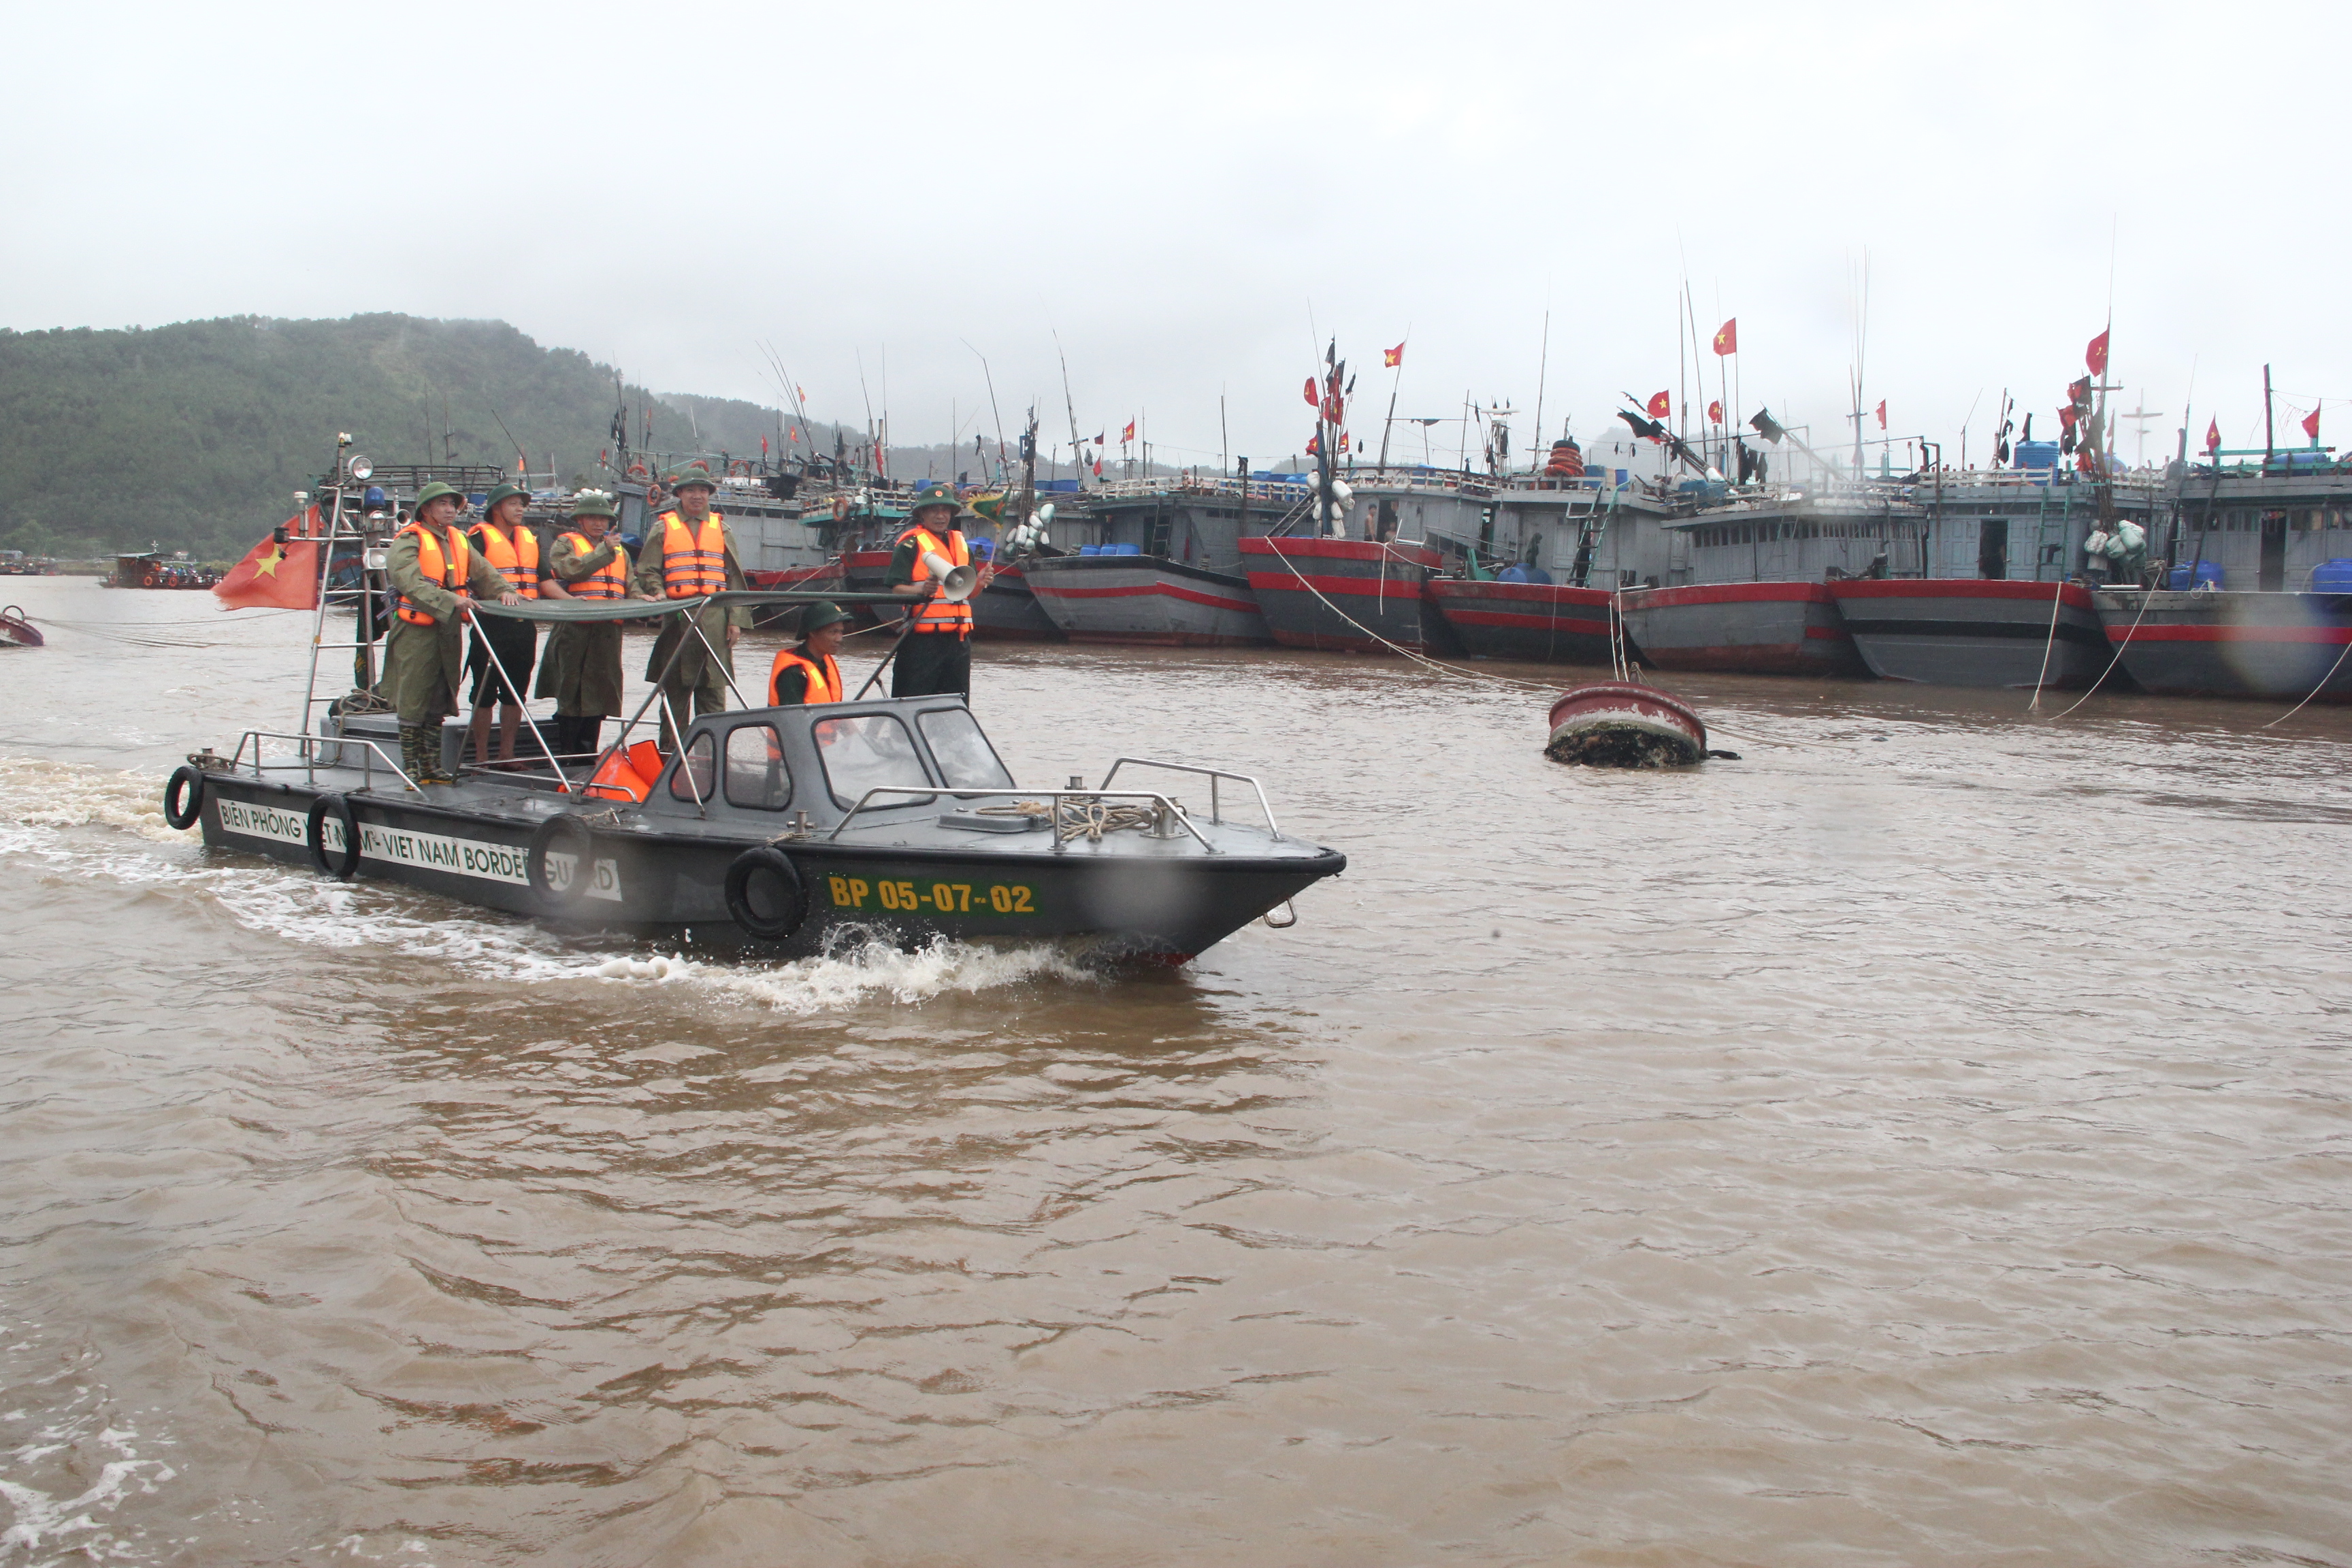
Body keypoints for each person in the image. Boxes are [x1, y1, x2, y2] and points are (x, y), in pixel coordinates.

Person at [384, 481, 521, 785]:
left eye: (452, 505)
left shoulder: (459, 539)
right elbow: (410, 581)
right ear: (427, 510)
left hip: (447, 630)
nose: (450, 510)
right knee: (413, 698)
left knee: (439, 698)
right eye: (442, 504)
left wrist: (506, 591)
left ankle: (432, 767)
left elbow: (484, 572)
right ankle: (411, 767)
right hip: (416, 629)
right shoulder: (409, 540)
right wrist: (452, 600)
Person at [632, 461, 749, 749]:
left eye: (702, 491)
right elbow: (647, 569)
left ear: (709, 495)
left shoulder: (722, 528)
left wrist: (735, 620)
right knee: (676, 692)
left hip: (715, 618)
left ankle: (712, 759)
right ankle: (671, 757)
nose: (697, 496)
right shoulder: (664, 527)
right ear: (680, 494)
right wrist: (659, 593)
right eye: (690, 491)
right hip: (679, 617)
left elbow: (734, 576)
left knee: (713, 693)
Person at [535, 489, 649, 760]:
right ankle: (566, 754)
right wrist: (602, 552)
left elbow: (628, 581)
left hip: (607, 631)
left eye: (604, 520)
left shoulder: (619, 551)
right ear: (581, 520)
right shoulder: (566, 543)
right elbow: (569, 570)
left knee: (600, 691)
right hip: (575, 628)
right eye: (593, 519)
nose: (600, 525)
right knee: (571, 691)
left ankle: (589, 754)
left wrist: (640, 596)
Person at [887, 482, 994, 698]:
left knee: (955, 704)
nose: (940, 516)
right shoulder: (910, 544)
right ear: (922, 514)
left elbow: (968, 594)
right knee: (913, 701)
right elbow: (896, 588)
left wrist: (980, 582)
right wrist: (921, 590)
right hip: (922, 642)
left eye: (945, 510)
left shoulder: (961, 544)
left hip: (958, 643)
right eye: (934, 510)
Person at [464, 481, 542, 765]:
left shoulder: (529, 539)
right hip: (491, 624)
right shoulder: (478, 539)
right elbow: (469, 573)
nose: (521, 508)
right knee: (484, 692)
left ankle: (507, 753)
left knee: (516, 692)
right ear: (496, 508)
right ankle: (481, 756)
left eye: (522, 504)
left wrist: (571, 601)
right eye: (513, 503)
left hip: (523, 624)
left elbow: (543, 579)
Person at [769, 601, 849, 706]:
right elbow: (791, 719)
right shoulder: (793, 672)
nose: (839, 639)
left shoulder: (826, 662)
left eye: (841, 632)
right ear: (812, 632)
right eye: (833, 632)